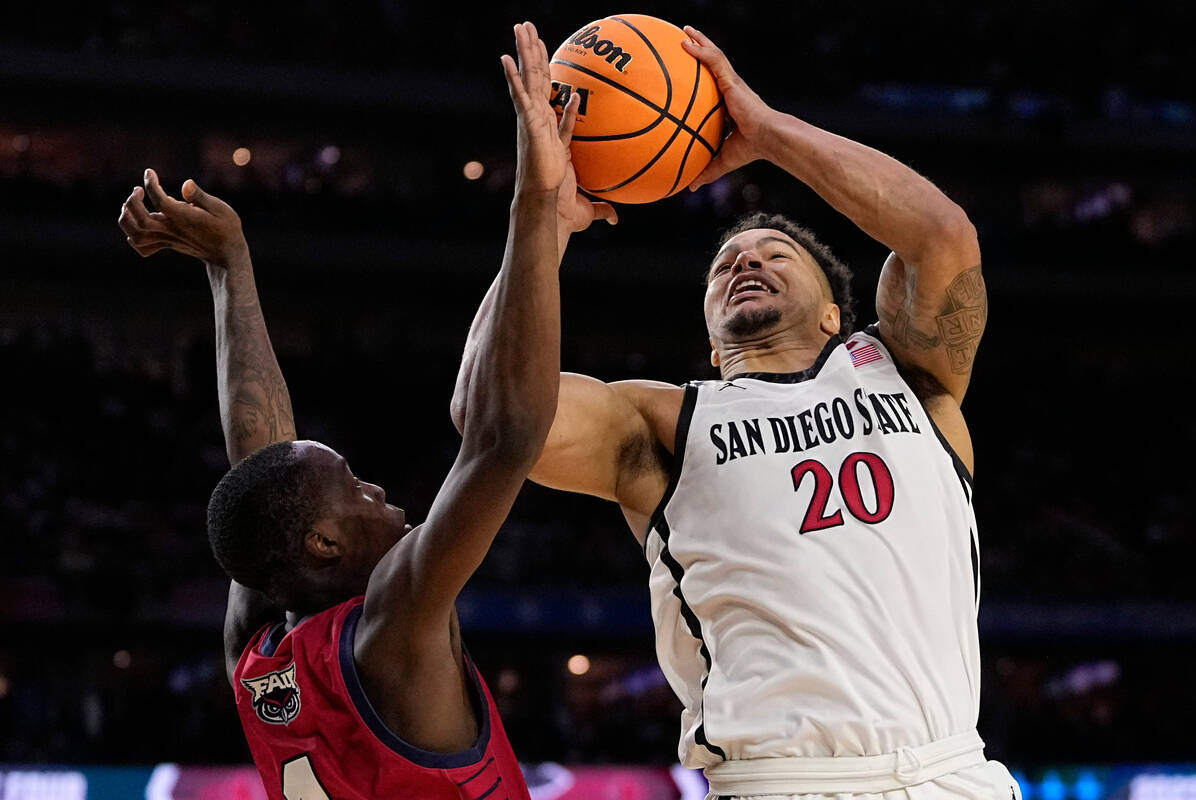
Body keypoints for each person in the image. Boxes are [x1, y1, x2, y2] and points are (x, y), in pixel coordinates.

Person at [454, 23, 1015, 800]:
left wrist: (767, 134)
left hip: (953, 772)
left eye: (775, 255)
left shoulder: (909, 377)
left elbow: (942, 234)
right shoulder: (660, 426)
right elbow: (492, 417)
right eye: (725, 266)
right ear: (712, 346)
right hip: (779, 780)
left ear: (834, 315)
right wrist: (542, 212)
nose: (746, 260)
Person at [117, 22, 607, 800]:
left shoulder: (259, 655)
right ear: (321, 542)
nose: (384, 495)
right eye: (358, 490)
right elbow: (505, 440)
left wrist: (229, 266)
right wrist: (534, 202)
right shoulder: (394, 631)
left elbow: (260, 464)